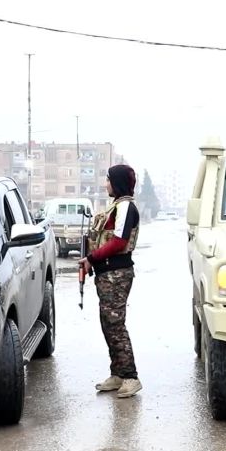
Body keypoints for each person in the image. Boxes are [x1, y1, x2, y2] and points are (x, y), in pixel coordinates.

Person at [79, 164, 142, 399]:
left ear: (117, 182)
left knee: (115, 324)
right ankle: (117, 373)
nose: (106, 184)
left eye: (108, 180)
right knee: (108, 323)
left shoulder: (126, 207)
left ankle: (130, 377)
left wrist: (92, 257)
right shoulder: (117, 206)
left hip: (117, 274)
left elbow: (119, 242)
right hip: (107, 274)